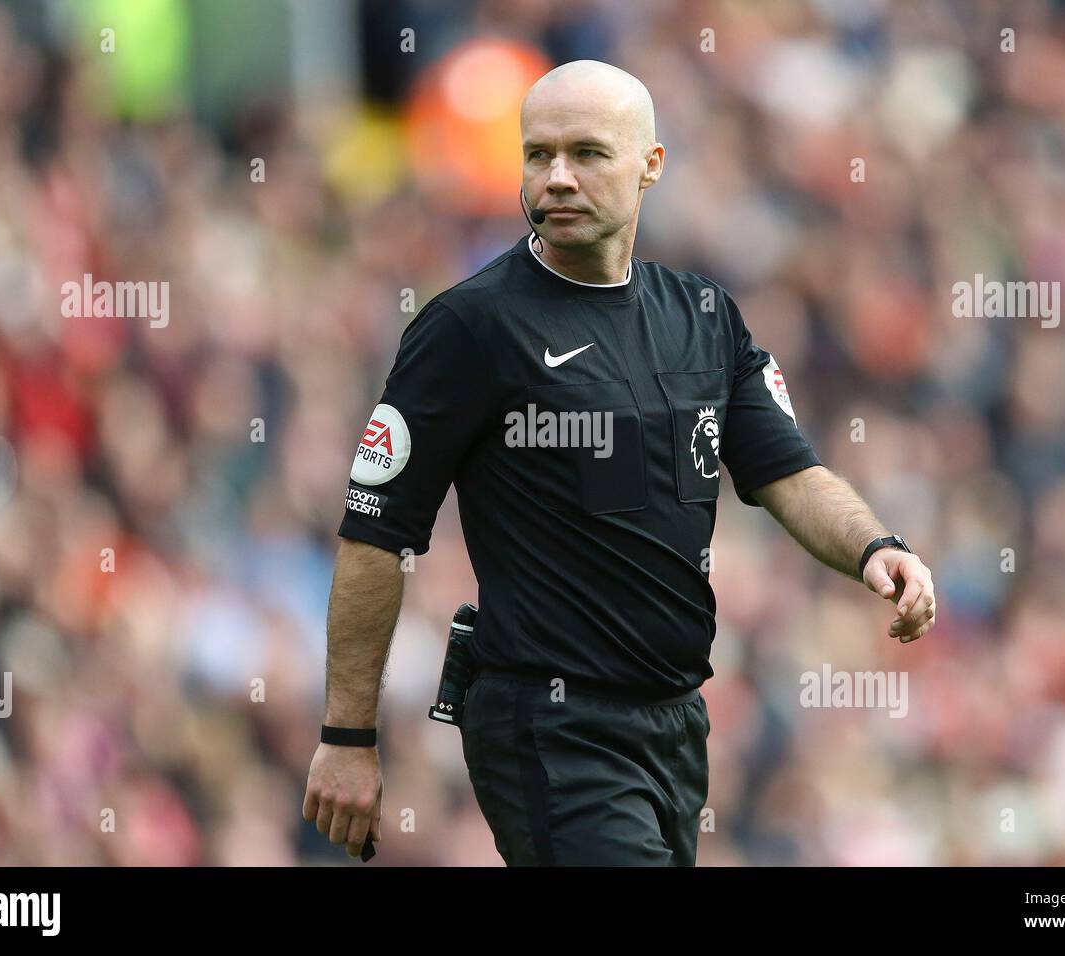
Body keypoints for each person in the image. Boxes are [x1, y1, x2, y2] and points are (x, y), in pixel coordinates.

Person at [302, 60, 937, 866]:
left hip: (676, 725)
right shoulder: (469, 327)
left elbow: (787, 473)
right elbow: (375, 533)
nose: (557, 177)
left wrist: (877, 547)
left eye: (588, 154)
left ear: (651, 164)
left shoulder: (704, 316)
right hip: (549, 726)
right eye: (538, 155)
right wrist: (347, 736)